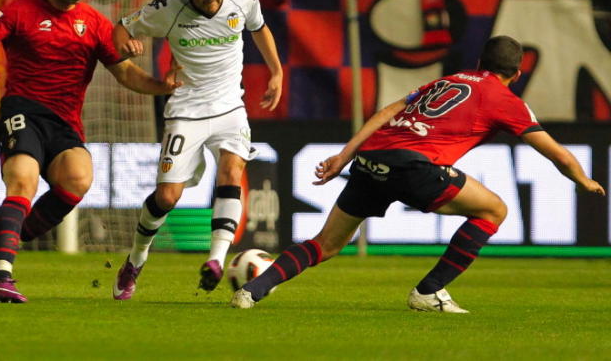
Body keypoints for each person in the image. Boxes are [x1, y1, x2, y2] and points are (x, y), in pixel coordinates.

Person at [231, 35, 606, 312]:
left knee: (325, 244)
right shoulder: (506, 101)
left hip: (372, 158)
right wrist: (583, 180)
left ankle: (251, 291)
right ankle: (429, 291)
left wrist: (345, 155)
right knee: (494, 210)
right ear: (518, 73)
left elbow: (386, 113)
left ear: (480, 62)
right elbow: (556, 153)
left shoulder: (448, 80)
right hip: (414, 165)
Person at [0, 0, 181, 304]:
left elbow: (125, 73)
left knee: (79, 178)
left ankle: (8, 241)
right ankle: (0, 275)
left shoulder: (94, 23)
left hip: (64, 124)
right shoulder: (20, 11)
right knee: (23, 179)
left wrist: (162, 86)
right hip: (23, 112)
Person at [112, 0, 283, 299]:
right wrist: (127, 46)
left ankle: (216, 260)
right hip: (186, 109)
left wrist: (276, 71)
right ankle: (135, 260)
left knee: (232, 171)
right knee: (167, 196)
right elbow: (121, 30)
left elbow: (260, 29)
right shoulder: (167, 7)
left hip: (229, 106)